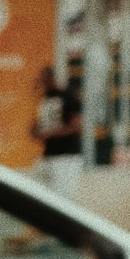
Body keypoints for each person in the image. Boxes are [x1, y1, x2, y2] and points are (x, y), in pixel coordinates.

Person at [30, 65, 83, 199]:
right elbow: (38, 126)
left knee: (62, 198)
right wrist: (36, 131)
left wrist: (50, 134)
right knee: (40, 196)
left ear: (50, 79)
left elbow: (77, 127)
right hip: (48, 155)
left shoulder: (68, 96)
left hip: (66, 156)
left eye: (43, 80)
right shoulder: (45, 99)